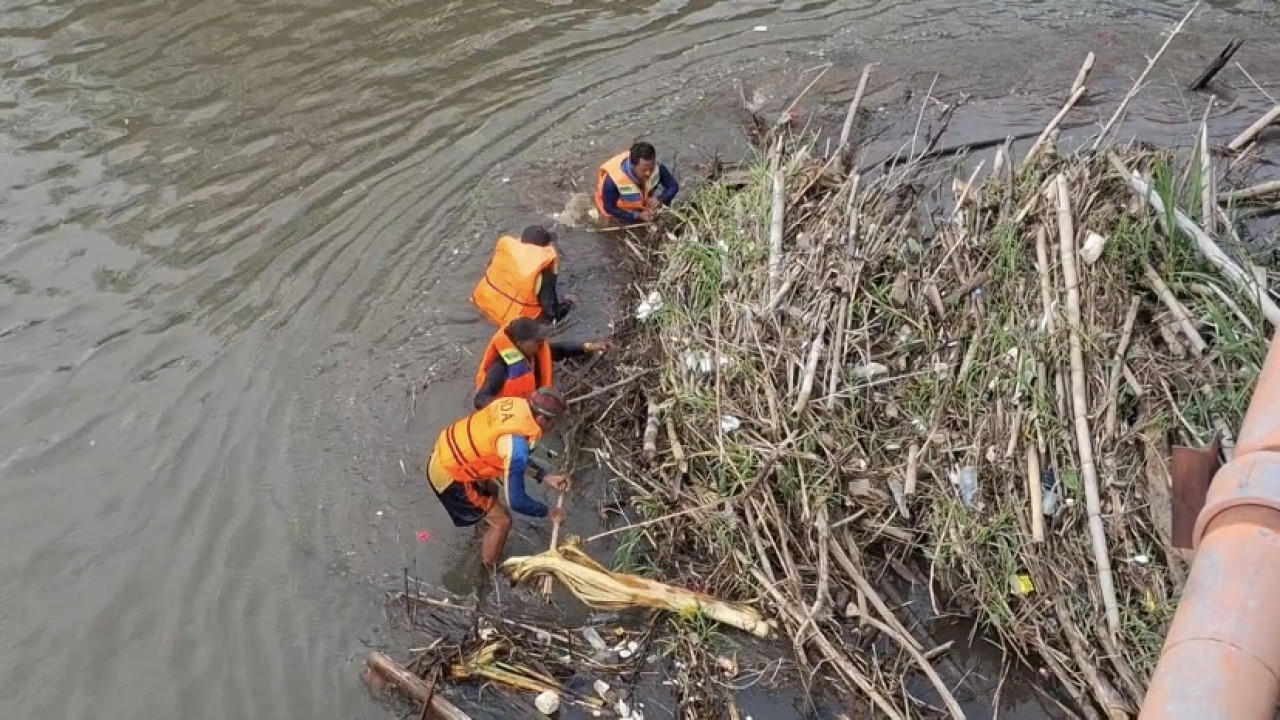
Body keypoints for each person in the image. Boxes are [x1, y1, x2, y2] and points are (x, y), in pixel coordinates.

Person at [426, 387, 573, 565]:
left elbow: (506, 453)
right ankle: (489, 567)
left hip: (447, 450)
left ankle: (484, 525)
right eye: (553, 423)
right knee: (502, 521)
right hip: (450, 475)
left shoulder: (514, 404)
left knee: (492, 489)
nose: (554, 427)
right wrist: (548, 512)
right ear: (541, 418)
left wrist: (544, 475)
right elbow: (516, 501)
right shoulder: (516, 446)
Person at [473, 318, 613, 409]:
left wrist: (590, 346)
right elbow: (480, 400)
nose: (542, 345)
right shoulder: (500, 367)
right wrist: (516, 408)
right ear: (520, 344)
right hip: (510, 415)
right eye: (537, 342)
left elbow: (560, 350)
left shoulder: (533, 352)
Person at [471, 225, 577, 326]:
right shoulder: (542, 274)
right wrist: (568, 303)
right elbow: (552, 313)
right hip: (512, 324)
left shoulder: (503, 255)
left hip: (482, 307)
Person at [594, 141, 680, 224]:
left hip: (640, 204)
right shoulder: (612, 180)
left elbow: (673, 186)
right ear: (633, 165)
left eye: (651, 168)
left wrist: (660, 200)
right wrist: (637, 216)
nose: (649, 173)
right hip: (617, 209)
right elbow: (609, 207)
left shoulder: (658, 168)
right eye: (644, 170)